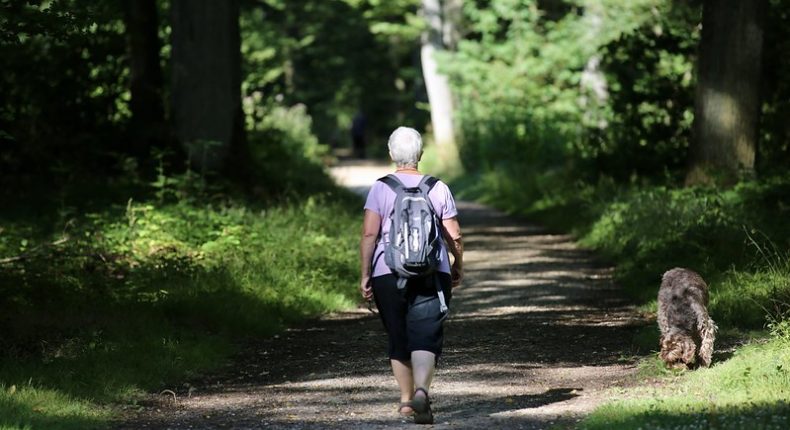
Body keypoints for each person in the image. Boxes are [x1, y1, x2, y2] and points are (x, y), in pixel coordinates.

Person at [359, 126, 463, 424]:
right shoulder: (438, 187)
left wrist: (366, 274)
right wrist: (458, 263)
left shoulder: (381, 188)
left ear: (392, 154)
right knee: (425, 335)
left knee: (399, 334)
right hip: (432, 271)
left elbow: (369, 234)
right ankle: (421, 391)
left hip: (387, 272)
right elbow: (453, 233)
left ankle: (406, 402)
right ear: (421, 154)